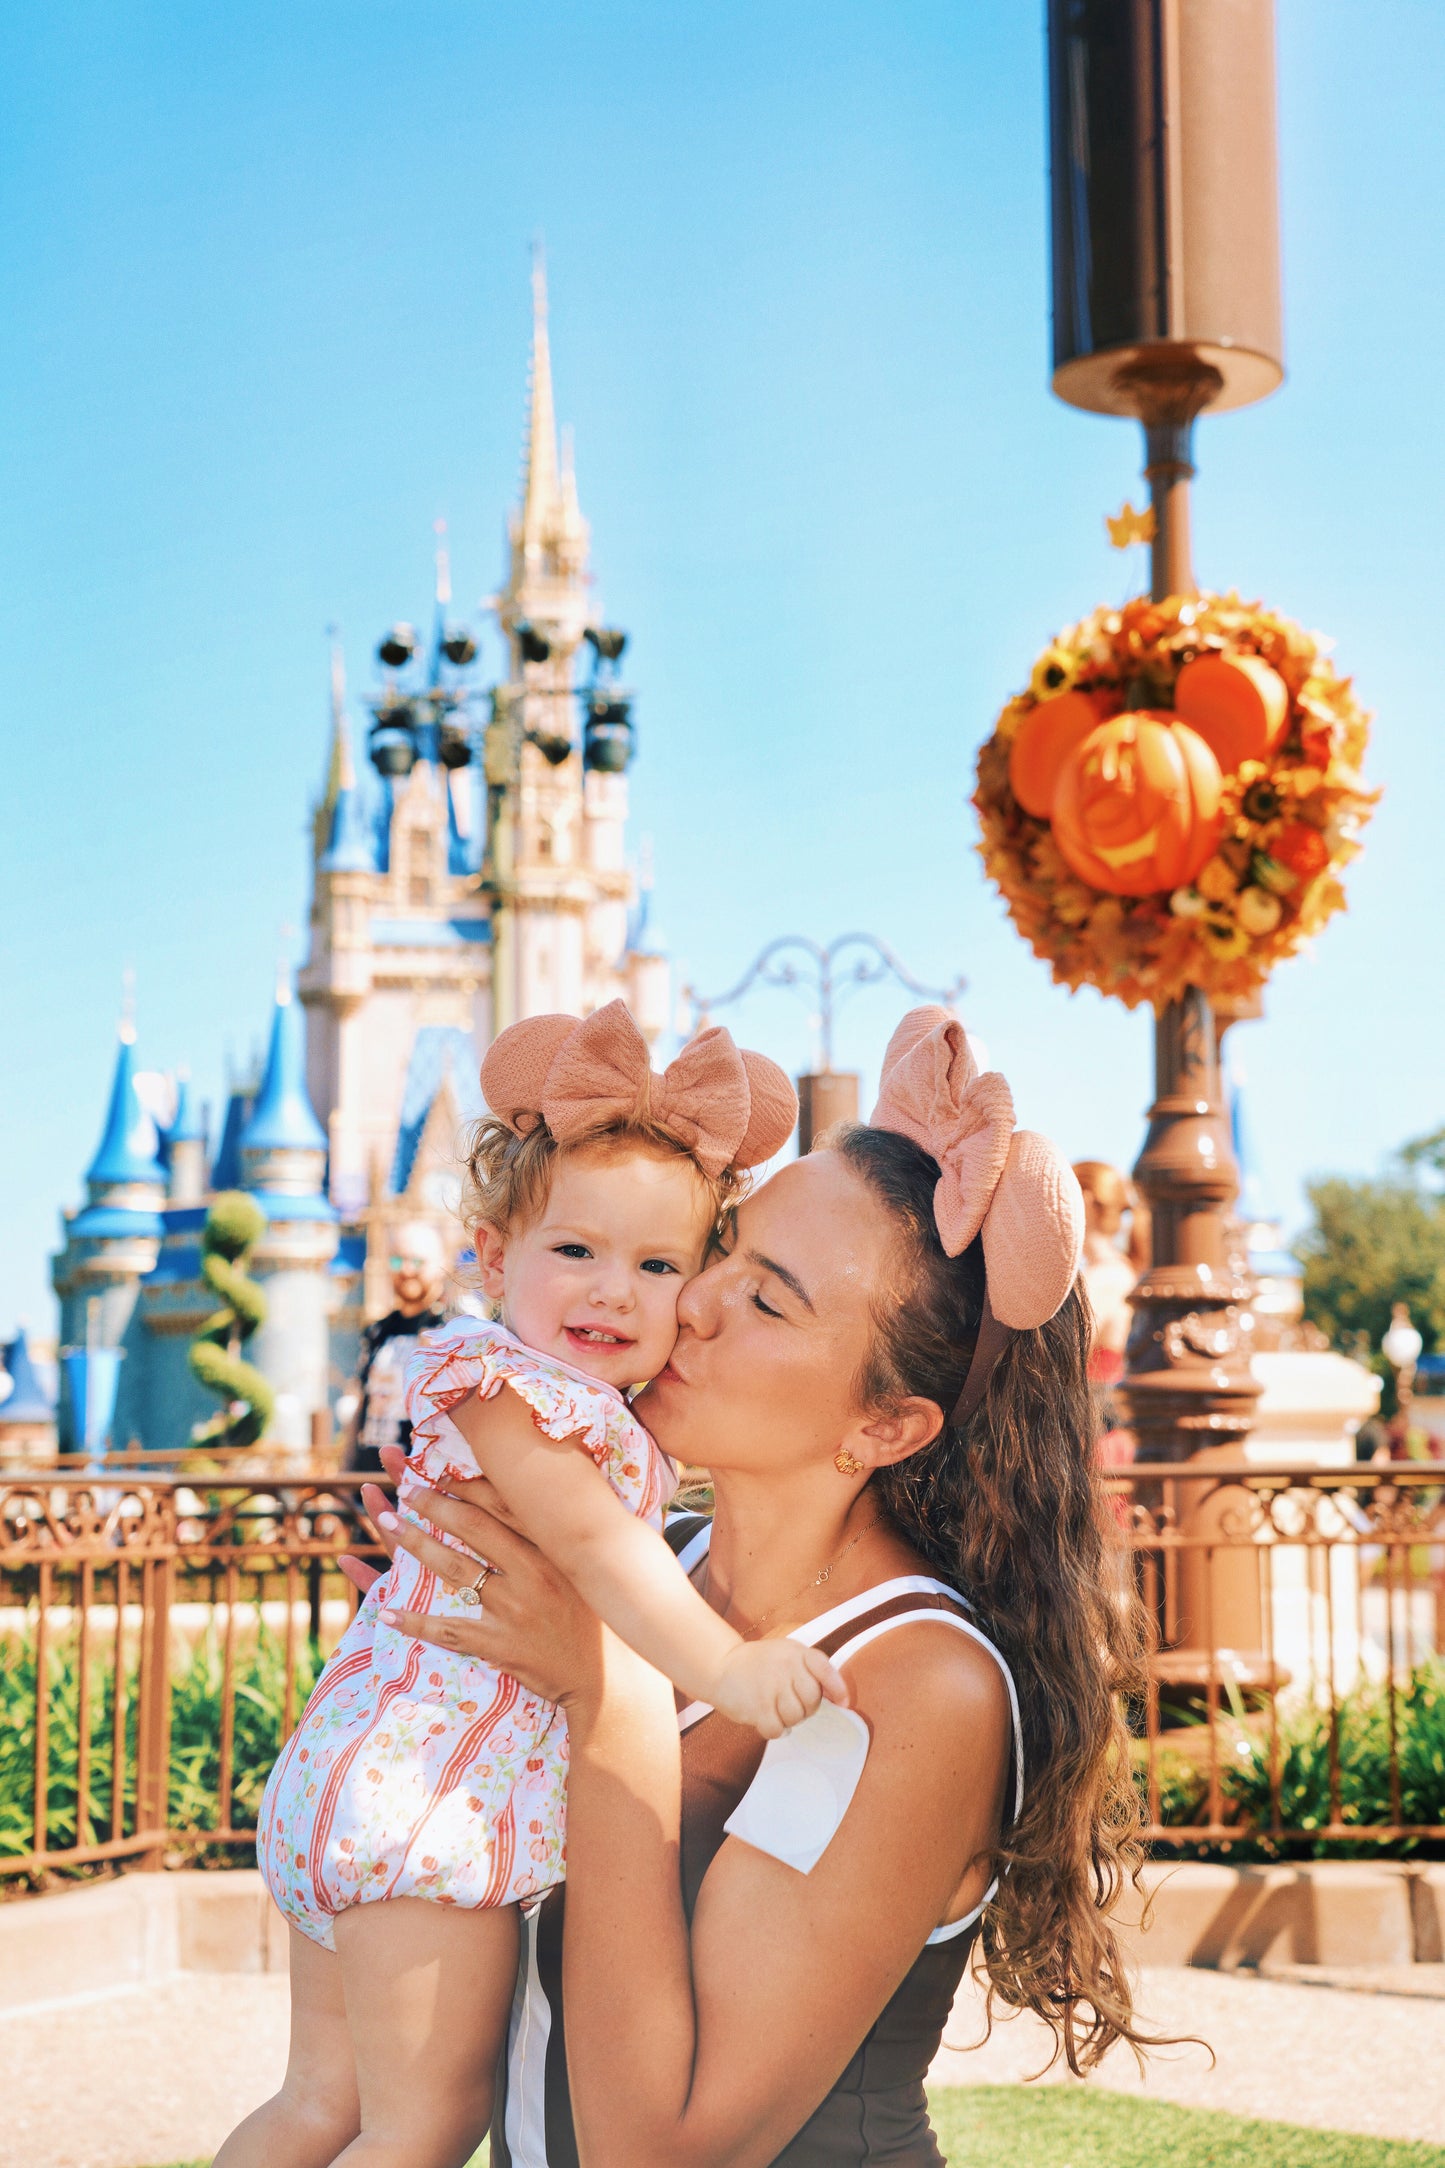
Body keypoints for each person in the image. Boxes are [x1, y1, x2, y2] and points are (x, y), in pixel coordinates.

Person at [342, 1006, 1155, 2167]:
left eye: (768, 1298)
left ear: (884, 1422)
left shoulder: (911, 1682)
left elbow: (659, 2149)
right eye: (718, 1249)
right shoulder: (648, 1564)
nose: (691, 1301)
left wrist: (601, 1687)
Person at [221, 1002, 843, 2168]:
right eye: (577, 1251)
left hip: (370, 1773)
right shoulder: (516, 1393)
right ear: (497, 1257)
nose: (614, 1291)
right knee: (422, 2125)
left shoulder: (553, 1399)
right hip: (426, 1798)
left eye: (656, 1264)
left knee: (321, 2104)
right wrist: (725, 1665)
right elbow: (605, 1552)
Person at [345, 1220, 451, 1475]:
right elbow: (361, 1405)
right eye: (396, 1261)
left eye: (416, 1262)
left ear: (441, 1265)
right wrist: (343, 1477)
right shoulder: (378, 1331)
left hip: (422, 1485)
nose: (406, 1270)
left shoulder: (450, 1332)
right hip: (368, 1480)